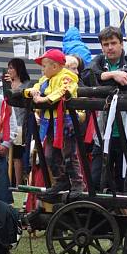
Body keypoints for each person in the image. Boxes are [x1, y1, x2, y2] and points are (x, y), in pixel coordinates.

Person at [88, 26, 127, 192]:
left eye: (113, 43)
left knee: (123, 182)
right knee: (96, 179)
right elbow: (88, 74)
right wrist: (112, 75)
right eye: (106, 44)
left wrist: (102, 79)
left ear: (121, 44)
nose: (110, 47)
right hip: (102, 133)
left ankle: (124, 215)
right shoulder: (99, 60)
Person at [24, 49, 83, 194]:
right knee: (50, 155)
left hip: (66, 122)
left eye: (44, 66)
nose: (42, 69)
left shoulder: (67, 76)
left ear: (55, 67)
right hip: (50, 123)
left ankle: (77, 185)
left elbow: (64, 90)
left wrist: (44, 99)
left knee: (69, 154)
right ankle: (61, 180)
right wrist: (31, 92)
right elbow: (36, 87)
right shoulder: (45, 80)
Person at [3, 58, 31, 186]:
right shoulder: (6, 84)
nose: (9, 71)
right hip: (8, 122)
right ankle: (9, 182)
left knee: (17, 156)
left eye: (12, 68)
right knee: (8, 155)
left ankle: (18, 184)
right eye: (8, 68)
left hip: (21, 123)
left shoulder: (27, 85)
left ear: (19, 69)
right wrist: (7, 85)